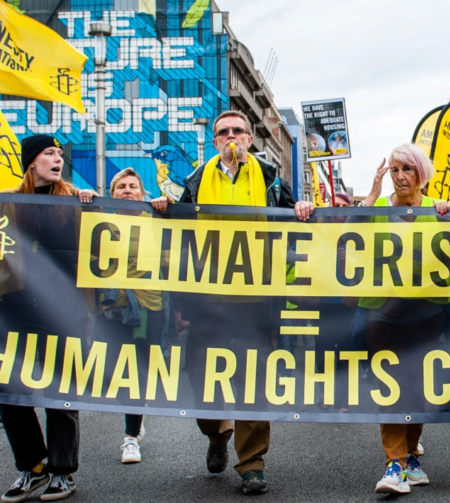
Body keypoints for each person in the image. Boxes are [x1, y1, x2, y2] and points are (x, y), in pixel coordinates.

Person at [150, 111, 314, 495]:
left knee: (253, 382)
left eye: (238, 131)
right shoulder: (194, 181)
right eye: (223, 132)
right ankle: (217, 433)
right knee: (202, 382)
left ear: (250, 138)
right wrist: (161, 209)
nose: (231, 137)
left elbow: (295, 224)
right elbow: (178, 234)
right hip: (209, 302)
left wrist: (303, 211)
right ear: (213, 141)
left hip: (257, 300)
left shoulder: (272, 179)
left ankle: (252, 465)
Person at [1, 135, 96, 502]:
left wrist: (90, 205)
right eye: (49, 153)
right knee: (10, 393)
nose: (58, 159)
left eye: (59, 154)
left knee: (60, 392)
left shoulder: (74, 201)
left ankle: (61, 472)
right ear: (32, 162)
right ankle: (32, 467)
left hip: (62, 308)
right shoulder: (9, 202)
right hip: (15, 309)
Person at [358, 144, 450, 495]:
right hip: (382, 312)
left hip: (426, 311)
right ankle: (394, 463)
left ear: (421, 174)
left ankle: (411, 454)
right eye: (395, 170)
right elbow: (347, 231)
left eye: (407, 170)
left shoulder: (436, 208)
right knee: (392, 386)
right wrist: (370, 195)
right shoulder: (379, 208)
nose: (400, 177)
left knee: (417, 386)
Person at [94, 169, 174, 465]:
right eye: (121, 187)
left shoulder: (156, 220)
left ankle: (130, 437)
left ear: (142, 192)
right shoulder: (100, 221)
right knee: (116, 370)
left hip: (150, 308)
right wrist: (84, 199)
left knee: (138, 371)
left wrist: (167, 210)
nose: (127, 190)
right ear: (112, 194)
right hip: (113, 307)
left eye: (133, 186)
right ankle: (135, 420)